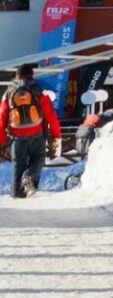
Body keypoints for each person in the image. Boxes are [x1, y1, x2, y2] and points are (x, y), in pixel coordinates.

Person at [4, 66, 60, 199]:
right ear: (32, 76)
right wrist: (56, 136)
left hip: (17, 137)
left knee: (18, 165)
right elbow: (51, 117)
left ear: (17, 76)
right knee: (38, 159)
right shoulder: (39, 92)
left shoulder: (9, 93)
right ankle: (28, 178)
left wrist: (1, 139)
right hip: (37, 135)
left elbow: (2, 117)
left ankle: (17, 195)